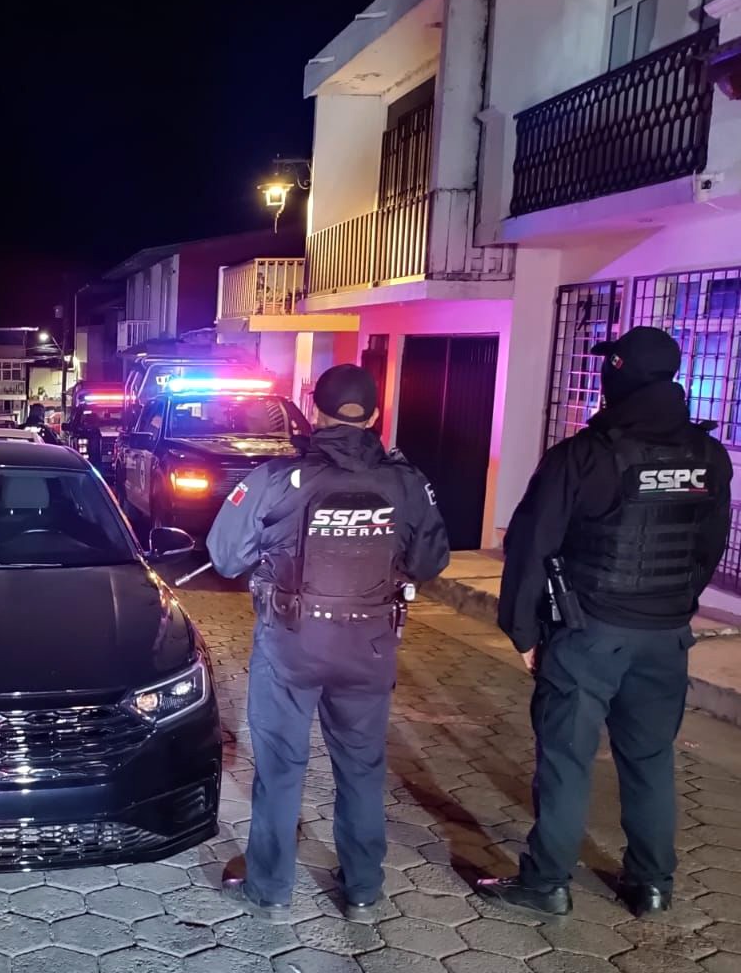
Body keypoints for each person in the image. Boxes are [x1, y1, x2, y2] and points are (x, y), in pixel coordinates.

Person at [477, 327, 732, 919]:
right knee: (649, 758)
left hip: (589, 632)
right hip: (665, 635)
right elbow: (709, 547)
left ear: (618, 372)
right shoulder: (708, 456)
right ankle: (651, 884)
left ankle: (546, 884)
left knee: (567, 758)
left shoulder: (585, 455)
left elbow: (530, 545)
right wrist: (672, 606)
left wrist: (523, 631)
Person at [206, 364, 450, 923]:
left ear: (313, 410)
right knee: (362, 767)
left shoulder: (275, 476)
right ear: (375, 415)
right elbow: (431, 560)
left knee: (281, 766)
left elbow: (224, 556)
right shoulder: (406, 481)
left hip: (291, 646)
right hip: (368, 646)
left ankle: (269, 888)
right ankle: (363, 889)